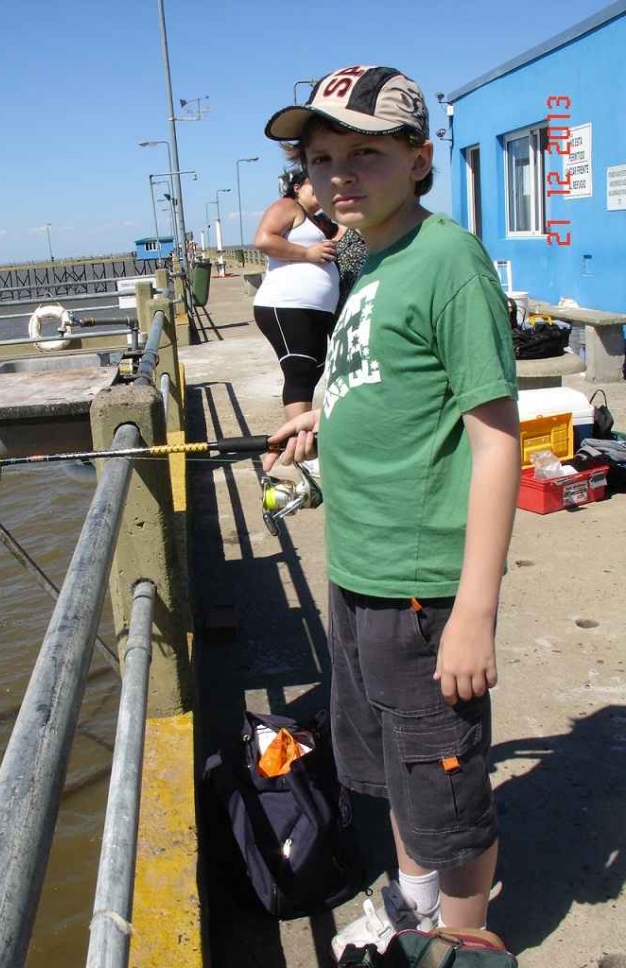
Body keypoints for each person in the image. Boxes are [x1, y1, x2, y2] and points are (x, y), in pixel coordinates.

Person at [261, 65, 521, 960]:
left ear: (419, 159)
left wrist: (474, 615)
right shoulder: (366, 259)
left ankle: (461, 939)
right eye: (322, 157)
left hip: (423, 591)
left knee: (448, 798)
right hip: (356, 574)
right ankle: (413, 908)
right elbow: (385, 386)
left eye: (365, 153)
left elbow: (495, 441)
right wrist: (319, 417)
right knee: (400, 779)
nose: (339, 174)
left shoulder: (446, 259)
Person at [252, 171, 340, 420]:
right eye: (316, 181)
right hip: (286, 304)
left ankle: (303, 438)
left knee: (314, 369)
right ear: (298, 187)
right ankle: (299, 441)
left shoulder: (317, 220)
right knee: (299, 369)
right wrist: (308, 254)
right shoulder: (288, 205)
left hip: (314, 309)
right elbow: (263, 239)